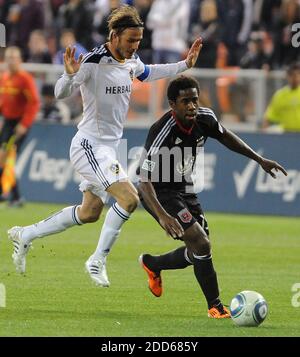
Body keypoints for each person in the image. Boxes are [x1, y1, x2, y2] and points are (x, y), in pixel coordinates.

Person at [8, 6, 202, 286]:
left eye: (138, 41)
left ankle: (25, 234)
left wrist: (185, 64)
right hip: (88, 145)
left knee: (89, 213)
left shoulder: (131, 61)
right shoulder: (93, 62)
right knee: (130, 198)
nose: (135, 46)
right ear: (114, 35)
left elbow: (150, 72)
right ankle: (97, 259)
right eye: (130, 40)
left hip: (108, 149)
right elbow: (61, 93)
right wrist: (70, 75)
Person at [137, 75, 287, 318]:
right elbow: (143, 180)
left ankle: (152, 264)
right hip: (159, 192)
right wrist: (163, 216)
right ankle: (215, 307)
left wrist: (259, 159)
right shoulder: (162, 131)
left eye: (194, 100)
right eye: (185, 101)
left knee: (198, 249)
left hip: (184, 188)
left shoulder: (205, 118)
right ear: (172, 104)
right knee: (202, 244)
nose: (192, 106)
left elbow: (225, 136)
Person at [0, 46, 40, 205]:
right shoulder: (4, 77)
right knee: (4, 158)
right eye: (8, 58)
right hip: (8, 122)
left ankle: (12, 195)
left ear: (20, 60)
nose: (11, 61)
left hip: (19, 124)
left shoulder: (25, 79)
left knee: (6, 156)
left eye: (14, 58)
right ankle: (14, 196)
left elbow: (34, 103)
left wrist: (24, 124)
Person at [263, 62, 300, 132]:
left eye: (298, 74)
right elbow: (268, 116)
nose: (296, 78)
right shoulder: (280, 95)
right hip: (286, 134)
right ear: (288, 76)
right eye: (292, 75)